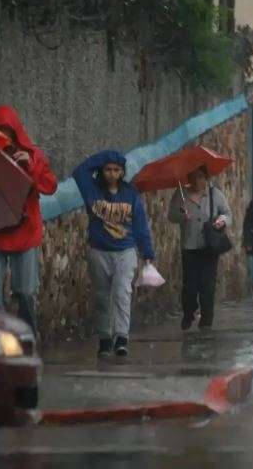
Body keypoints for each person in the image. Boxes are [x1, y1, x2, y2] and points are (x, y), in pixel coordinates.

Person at [0, 106, 58, 334]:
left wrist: (32, 165)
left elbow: (50, 186)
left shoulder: (33, 155)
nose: (4, 135)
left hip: (25, 232)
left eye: (8, 130)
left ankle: (27, 334)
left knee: (25, 291)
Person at [74, 150, 155, 358]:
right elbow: (79, 172)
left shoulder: (130, 194)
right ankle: (104, 339)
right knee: (102, 297)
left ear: (122, 171)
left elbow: (140, 225)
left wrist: (147, 252)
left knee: (122, 292)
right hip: (99, 251)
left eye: (116, 170)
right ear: (102, 170)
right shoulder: (92, 190)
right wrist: (105, 157)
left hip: (125, 251)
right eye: (108, 169)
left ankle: (121, 337)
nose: (111, 174)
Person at [168, 166, 231, 329]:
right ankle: (189, 312)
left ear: (206, 178)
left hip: (209, 247)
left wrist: (220, 221)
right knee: (190, 286)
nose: (197, 181)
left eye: (201, 177)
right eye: (193, 177)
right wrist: (182, 216)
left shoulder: (214, 194)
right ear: (188, 179)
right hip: (189, 247)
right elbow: (171, 215)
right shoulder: (181, 194)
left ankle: (206, 320)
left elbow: (227, 214)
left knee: (207, 285)